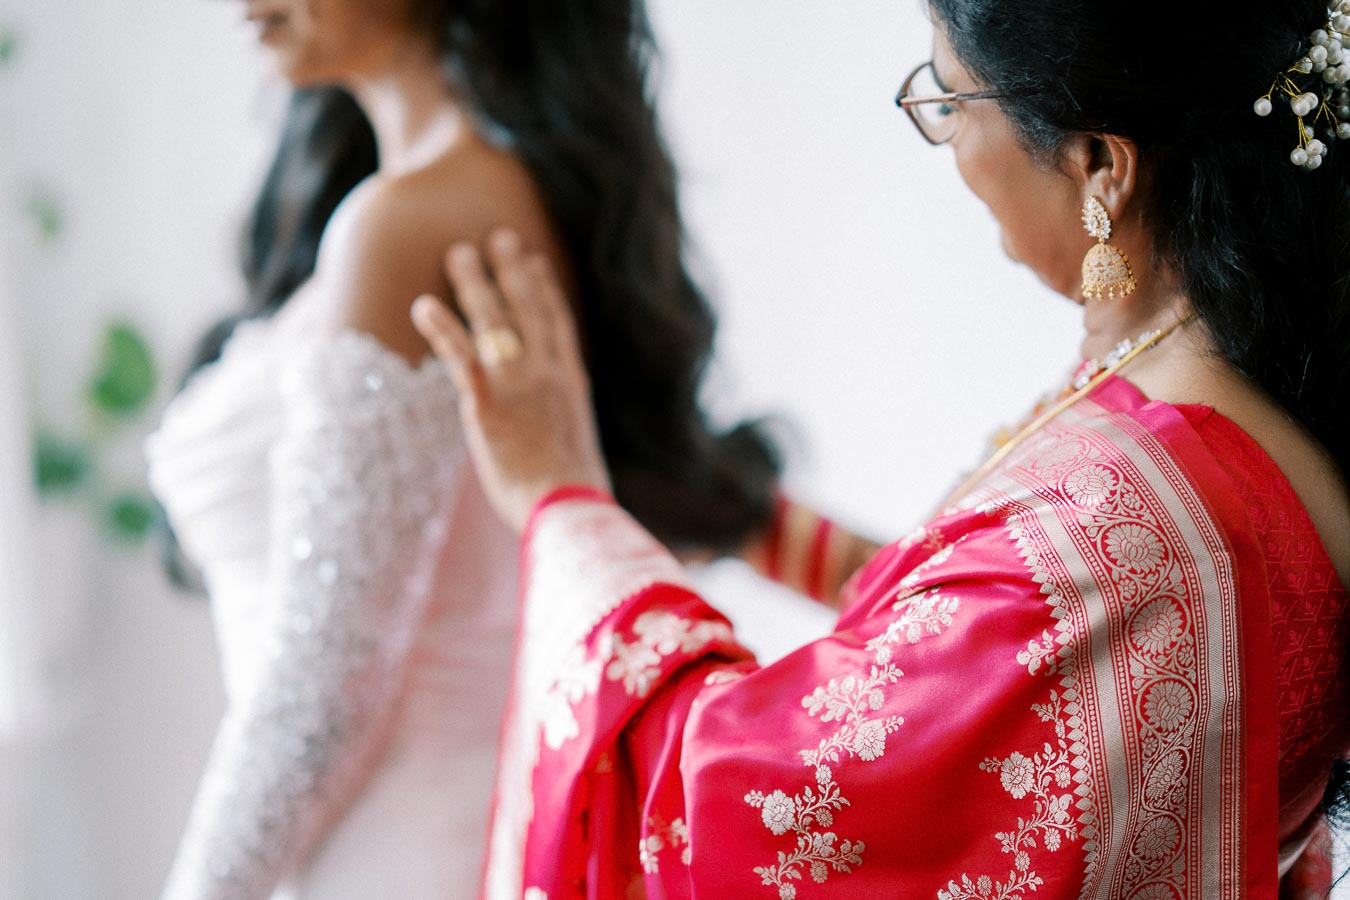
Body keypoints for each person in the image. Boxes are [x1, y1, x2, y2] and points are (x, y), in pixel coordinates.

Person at [411, 0, 1350, 895]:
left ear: (1102, 160)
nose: (949, 146)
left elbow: (746, 813)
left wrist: (561, 502)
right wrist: (741, 517)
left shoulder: (1122, 522)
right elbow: (949, 653)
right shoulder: (1239, 395)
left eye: (950, 100)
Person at [144, 0, 787, 896]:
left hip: (395, 844)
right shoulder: (485, 196)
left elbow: (326, 682)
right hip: (426, 821)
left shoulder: (408, 223)